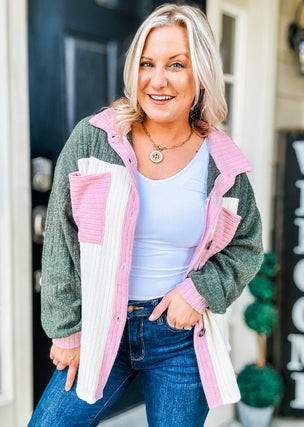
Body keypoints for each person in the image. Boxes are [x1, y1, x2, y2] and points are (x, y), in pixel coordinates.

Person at [29, 3, 263, 427]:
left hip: (180, 339)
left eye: (176, 64)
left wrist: (199, 292)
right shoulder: (95, 140)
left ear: (201, 77)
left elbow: (247, 246)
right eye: (146, 63)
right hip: (101, 328)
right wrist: (66, 329)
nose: (157, 80)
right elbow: (61, 235)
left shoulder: (223, 166)